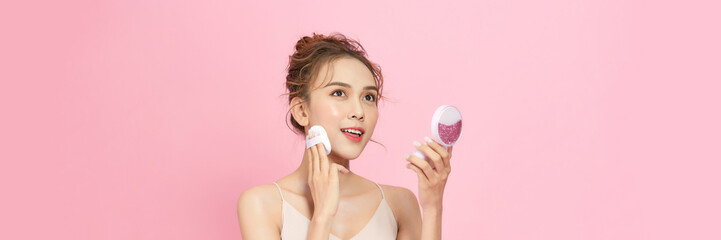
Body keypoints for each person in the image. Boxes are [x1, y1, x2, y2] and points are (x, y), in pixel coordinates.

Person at [237, 33, 454, 240]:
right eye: (339, 93)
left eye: (368, 97)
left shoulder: (399, 204)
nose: (359, 111)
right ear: (302, 111)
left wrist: (434, 206)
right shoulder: (262, 204)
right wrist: (322, 216)